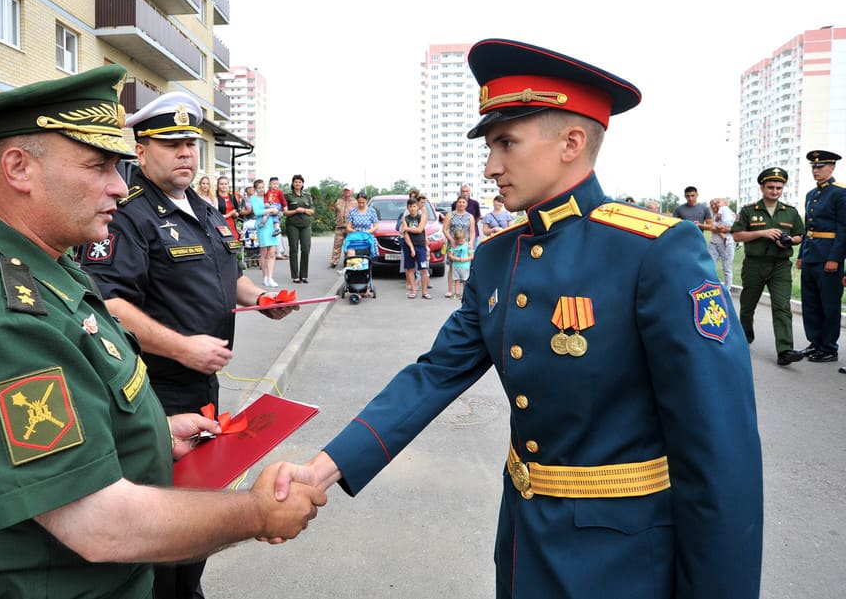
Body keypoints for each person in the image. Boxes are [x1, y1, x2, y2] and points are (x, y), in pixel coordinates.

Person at [272, 38, 762, 599]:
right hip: (523, 545)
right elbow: (435, 374)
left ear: (571, 143)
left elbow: (721, 453)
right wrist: (324, 469)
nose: (490, 166)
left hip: (622, 561)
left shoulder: (656, 251)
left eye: (506, 143)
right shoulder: (497, 255)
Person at [0, 66, 324, 599]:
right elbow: (99, 525)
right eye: (98, 166)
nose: (120, 188)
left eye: (118, 166)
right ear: (18, 168)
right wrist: (258, 512)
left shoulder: (43, 264)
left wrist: (156, 435)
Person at [79, 92, 302, 599]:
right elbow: (106, 303)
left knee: (199, 501)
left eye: (191, 144)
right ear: (142, 150)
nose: (185, 153)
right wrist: (180, 347)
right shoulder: (127, 215)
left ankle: (187, 590)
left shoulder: (206, 211)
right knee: (158, 516)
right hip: (151, 391)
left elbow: (229, 278)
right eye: (172, 143)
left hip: (203, 385)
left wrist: (263, 297)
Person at [731, 167, 806, 366]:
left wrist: (790, 240)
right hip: (755, 264)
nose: (775, 191)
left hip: (780, 265)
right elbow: (737, 235)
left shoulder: (790, 212)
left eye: (779, 188)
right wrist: (762, 233)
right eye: (771, 187)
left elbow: (800, 235)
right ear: (762, 187)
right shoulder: (748, 211)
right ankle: (744, 339)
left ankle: (785, 350)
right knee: (748, 306)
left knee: (782, 307)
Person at [795, 150, 846, 363]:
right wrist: (800, 254)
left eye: (821, 166)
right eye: (813, 167)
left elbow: (844, 229)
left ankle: (829, 348)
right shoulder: (810, 195)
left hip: (828, 258)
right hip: (810, 256)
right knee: (811, 303)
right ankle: (815, 342)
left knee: (829, 304)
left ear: (832, 167)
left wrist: (835, 258)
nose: (816, 170)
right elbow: (809, 229)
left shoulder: (840, 193)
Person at [284, 174, 315, 284]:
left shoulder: (307, 196)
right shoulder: (288, 196)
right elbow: (285, 212)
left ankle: (304, 275)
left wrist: (304, 210)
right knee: (294, 249)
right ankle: (295, 276)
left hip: (305, 225)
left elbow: (312, 211)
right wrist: (296, 210)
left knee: (306, 249)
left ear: (302, 184)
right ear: (293, 183)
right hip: (292, 225)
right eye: (296, 182)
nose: (298, 184)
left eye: (299, 182)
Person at [442, 196, 475, 297]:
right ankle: (450, 290)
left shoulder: (470, 216)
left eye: (463, 202)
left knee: (465, 267)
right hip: (453, 244)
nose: (461, 204)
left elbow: (472, 232)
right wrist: (451, 240)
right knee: (452, 267)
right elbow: (444, 229)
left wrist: (471, 242)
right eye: (459, 202)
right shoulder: (450, 214)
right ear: (456, 203)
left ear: (466, 204)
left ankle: (465, 291)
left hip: (465, 245)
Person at [251, 178, 281, 287]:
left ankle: (270, 277)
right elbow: (257, 212)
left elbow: (277, 205)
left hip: (272, 225)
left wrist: (276, 210)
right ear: (255, 189)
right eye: (259, 188)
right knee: (264, 252)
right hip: (262, 226)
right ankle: (264, 277)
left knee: (272, 252)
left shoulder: (268, 196)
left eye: (263, 187)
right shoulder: (254, 198)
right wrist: (269, 210)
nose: (261, 189)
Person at [400, 196, 430, 299]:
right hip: (409, 246)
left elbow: (419, 229)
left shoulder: (422, 216)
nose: (412, 208)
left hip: (421, 245)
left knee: (423, 270)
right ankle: (413, 290)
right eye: (410, 206)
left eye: (414, 206)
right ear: (407, 208)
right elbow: (405, 235)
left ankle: (425, 292)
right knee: (410, 269)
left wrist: (406, 228)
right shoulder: (405, 218)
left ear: (417, 207)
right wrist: (411, 248)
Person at [708, 197, 737, 291]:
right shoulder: (713, 216)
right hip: (713, 243)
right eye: (711, 205)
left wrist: (723, 229)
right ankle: (713, 288)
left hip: (727, 243)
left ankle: (727, 290)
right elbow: (712, 228)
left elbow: (736, 228)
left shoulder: (730, 214)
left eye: (715, 204)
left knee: (727, 268)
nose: (714, 206)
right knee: (710, 267)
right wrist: (717, 229)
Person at [264, 177, 289, 259]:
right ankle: (278, 252)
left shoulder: (279, 192)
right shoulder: (267, 192)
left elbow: (283, 201)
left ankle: (279, 252)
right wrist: (267, 203)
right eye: (273, 184)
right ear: (270, 184)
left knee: (275, 217)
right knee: (269, 214)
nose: (275, 185)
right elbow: (266, 200)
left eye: (277, 184)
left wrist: (285, 207)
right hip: (270, 207)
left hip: (277, 207)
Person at [329, 186, 354, 267]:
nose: (346, 192)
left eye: (348, 190)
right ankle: (334, 261)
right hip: (339, 227)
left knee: (349, 245)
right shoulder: (339, 201)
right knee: (337, 245)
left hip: (350, 228)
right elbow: (336, 212)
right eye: (345, 190)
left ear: (351, 192)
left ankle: (348, 261)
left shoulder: (355, 202)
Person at [215, 175, 240, 239]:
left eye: (226, 184)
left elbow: (237, 211)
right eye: (221, 184)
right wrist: (230, 214)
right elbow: (214, 214)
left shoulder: (231, 197)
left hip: (232, 225)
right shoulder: (215, 197)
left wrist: (235, 214)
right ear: (218, 185)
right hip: (220, 225)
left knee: (234, 243)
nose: (224, 186)